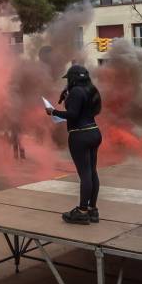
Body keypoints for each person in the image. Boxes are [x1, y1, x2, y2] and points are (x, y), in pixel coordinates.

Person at [48, 64, 102, 224]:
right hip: (94, 132)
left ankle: (82, 211)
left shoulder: (76, 92)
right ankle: (92, 209)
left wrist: (53, 112)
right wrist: (68, 97)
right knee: (92, 172)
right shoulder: (91, 90)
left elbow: (73, 114)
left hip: (80, 135)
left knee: (85, 174)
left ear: (72, 79)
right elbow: (90, 110)